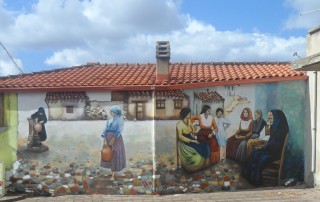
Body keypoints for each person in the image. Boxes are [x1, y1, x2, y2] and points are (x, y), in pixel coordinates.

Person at [243, 109, 289, 186]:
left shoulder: (281, 130)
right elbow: (265, 138)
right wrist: (263, 147)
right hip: (270, 149)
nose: (269, 119)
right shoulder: (273, 127)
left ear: (277, 118)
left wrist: (263, 147)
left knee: (258, 155)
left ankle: (256, 180)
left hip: (274, 153)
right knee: (254, 151)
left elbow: (273, 144)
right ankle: (249, 176)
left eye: (271, 117)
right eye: (268, 118)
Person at [176, 108, 210, 172]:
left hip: (191, 138)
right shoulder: (179, 124)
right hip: (185, 142)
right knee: (199, 148)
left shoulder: (189, 121)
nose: (190, 115)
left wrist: (194, 127)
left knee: (205, 145)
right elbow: (180, 137)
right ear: (185, 114)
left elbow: (192, 131)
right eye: (189, 114)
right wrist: (192, 140)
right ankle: (196, 167)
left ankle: (205, 165)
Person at [100, 105, 126, 180]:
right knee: (107, 153)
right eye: (110, 111)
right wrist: (104, 137)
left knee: (115, 153)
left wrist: (114, 139)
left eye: (112, 111)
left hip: (116, 139)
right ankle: (111, 171)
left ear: (116, 112)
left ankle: (114, 174)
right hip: (108, 137)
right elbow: (105, 129)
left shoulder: (120, 120)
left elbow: (119, 130)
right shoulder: (109, 120)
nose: (110, 113)